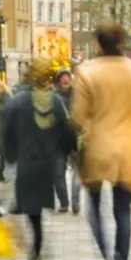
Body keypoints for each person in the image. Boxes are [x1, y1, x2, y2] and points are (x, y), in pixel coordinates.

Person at [71, 21, 131, 260]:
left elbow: (78, 117)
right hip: (129, 149)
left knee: (93, 207)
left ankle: (107, 256)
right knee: (122, 212)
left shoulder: (85, 71)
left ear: (97, 43)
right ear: (122, 41)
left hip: (97, 148)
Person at [3, 57, 76, 260]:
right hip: (44, 169)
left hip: (23, 169)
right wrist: (63, 153)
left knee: (28, 220)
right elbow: (67, 135)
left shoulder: (15, 103)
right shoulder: (53, 101)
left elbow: (7, 140)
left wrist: (9, 166)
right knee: (37, 223)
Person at [53, 68, 78, 213]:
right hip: (59, 140)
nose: (65, 80)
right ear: (58, 82)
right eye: (62, 78)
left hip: (76, 138)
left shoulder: (79, 95)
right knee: (58, 173)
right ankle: (64, 202)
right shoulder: (53, 97)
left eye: (67, 78)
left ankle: (75, 202)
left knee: (77, 172)